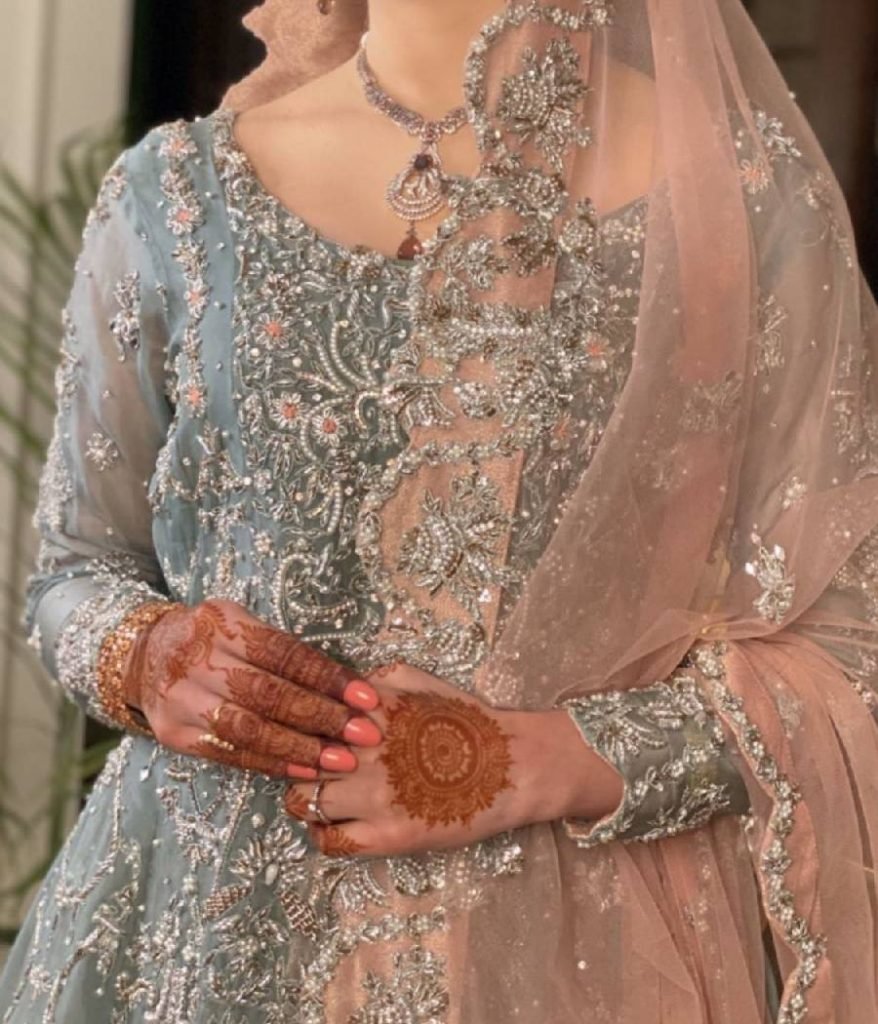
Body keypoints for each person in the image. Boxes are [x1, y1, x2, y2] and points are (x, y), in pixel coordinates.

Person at [2, 0, 877, 1020]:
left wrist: (543, 762)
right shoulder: (177, 193)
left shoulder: (741, 195)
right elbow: (73, 570)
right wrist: (146, 656)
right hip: (192, 935)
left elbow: (848, 647)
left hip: (561, 948)